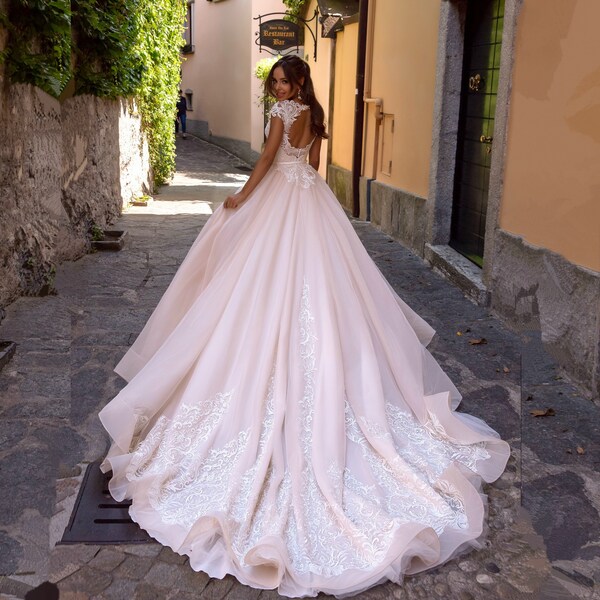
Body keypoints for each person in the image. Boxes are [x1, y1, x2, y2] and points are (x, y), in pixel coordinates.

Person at [99, 55, 509, 598]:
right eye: (274, 83)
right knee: (329, 286)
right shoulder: (315, 111)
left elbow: (269, 158)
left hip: (281, 202)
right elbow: (307, 163)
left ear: (295, 84)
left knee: (260, 287)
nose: (278, 88)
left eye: (282, 81)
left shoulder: (285, 112)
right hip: (313, 202)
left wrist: (243, 198)